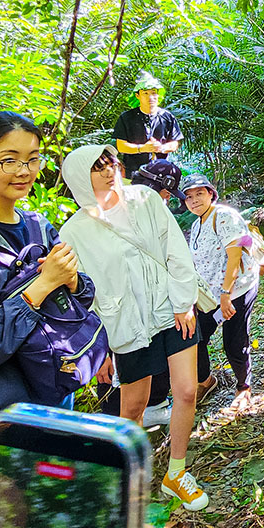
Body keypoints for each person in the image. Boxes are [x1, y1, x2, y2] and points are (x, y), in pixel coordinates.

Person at [0, 112, 97, 528]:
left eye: (32, 159)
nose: (24, 171)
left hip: (52, 404)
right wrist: (39, 287)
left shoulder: (36, 224)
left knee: (54, 522)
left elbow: (74, 300)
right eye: (9, 159)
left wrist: (72, 281)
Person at [59, 145, 208, 510]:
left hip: (171, 310)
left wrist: (184, 302)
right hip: (124, 324)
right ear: (80, 178)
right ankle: (130, 478)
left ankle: (176, 471)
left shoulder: (144, 199)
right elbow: (82, 293)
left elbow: (176, 248)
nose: (109, 171)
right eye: (98, 168)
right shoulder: (73, 231)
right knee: (133, 407)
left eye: (110, 163)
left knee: (187, 391)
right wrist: (99, 348)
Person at [95, 159, 189, 424]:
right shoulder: (102, 214)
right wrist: (101, 351)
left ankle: (153, 409)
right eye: (168, 194)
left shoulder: (148, 212)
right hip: (120, 329)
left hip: (148, 323)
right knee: (121, 399)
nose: (168, 200)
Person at [182, 173, 261, 410]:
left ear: (210, 193)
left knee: (234, 343)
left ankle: (243, 387)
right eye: (189, 197)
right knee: (195, 337)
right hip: (210, 294)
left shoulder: (223, 216)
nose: (194, 200)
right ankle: (206, 381)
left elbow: (235, 256)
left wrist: (226, 294)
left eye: (199, 193)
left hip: (236, 289)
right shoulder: (196, 224)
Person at [113, 71, 183, 178]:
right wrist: (143, 148)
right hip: (133, 174)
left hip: (161, 175)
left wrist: (161, 148)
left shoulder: (167, 117)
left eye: (154, 92)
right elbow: (121, 146)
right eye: (146, 93)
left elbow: (174, 143)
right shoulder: (126, 118)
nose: (151, 97)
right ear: (138, 95)